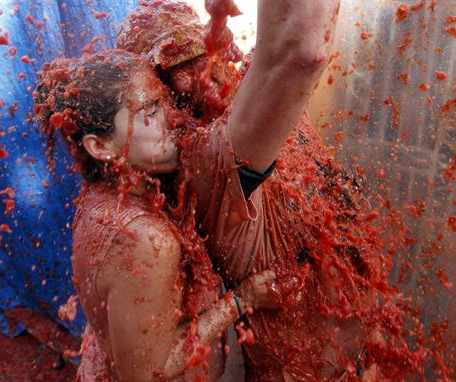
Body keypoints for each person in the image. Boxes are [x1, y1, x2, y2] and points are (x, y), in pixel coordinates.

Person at [115, 1, 407, 380]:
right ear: (163, 98)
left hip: (373, 360)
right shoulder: (208, 163)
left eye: (192, 42)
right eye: (172, 69)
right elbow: (301, 49)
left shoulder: (242, 91)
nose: (194, 74)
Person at [34, 51, 278, 381]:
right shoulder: (145, 240)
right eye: (149, 112)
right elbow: (147, 374)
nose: (172, 119)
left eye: (164, 103)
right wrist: (240, 300)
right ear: (100, 147)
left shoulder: (100, 195)